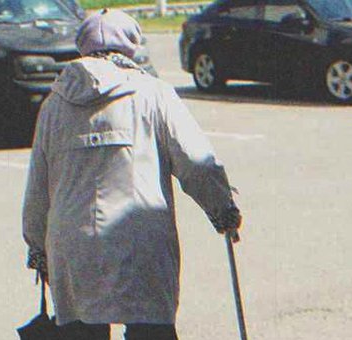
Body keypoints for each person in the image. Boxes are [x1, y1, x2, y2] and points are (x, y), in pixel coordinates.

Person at [22, 9, 242, 340]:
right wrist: (222, 209)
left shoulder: (54, 104)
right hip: (138, 239)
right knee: (149, 330)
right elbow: (196, 162)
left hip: (71, 243)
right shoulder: (153, 93)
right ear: (130, 46)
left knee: (81, 331)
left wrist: (37, 246)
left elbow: (38, 187)